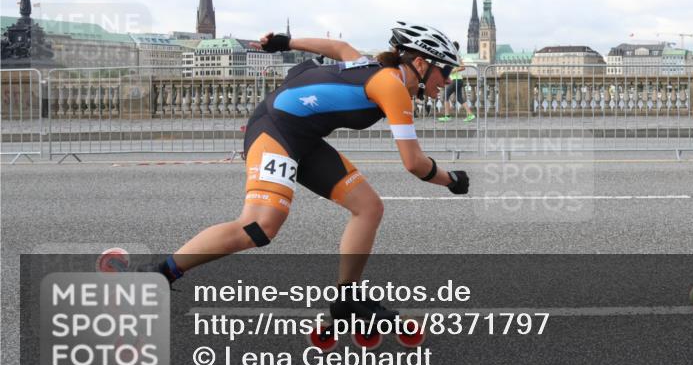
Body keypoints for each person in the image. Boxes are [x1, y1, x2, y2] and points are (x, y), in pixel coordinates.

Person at [141, 21, 470, 324]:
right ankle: (160, 273)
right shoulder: (392, 85)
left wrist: (287, 41)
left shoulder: (372, 66)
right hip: (275, 129)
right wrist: (451, 179)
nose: (449, 81)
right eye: (446, 71)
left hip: (305, 137)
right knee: (259, 226)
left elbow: (339, 48)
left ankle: (347, 299)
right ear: (422, 64)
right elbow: (413, 163)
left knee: (369, 207)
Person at [438, 40, 475, 122]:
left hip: (455, 80)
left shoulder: (455, 56)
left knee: (445, 96)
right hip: (458, 80)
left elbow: (463, 67)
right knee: (459, 98)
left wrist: (453, 70)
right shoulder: (453, 56)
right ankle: (470, 114)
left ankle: (447, 116)